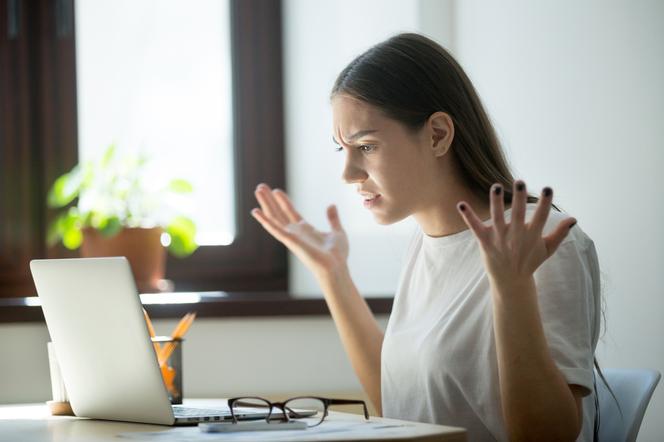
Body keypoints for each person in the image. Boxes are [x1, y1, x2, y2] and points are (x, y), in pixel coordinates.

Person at [250, 33, 600, 442]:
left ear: (437, 134)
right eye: (342, 149)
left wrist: (512, 288)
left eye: (366, 146)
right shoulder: (426, 241)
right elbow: (402, 409)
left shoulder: (541, 244)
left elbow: (546, 437)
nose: (348, 174)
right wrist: (333, 275)